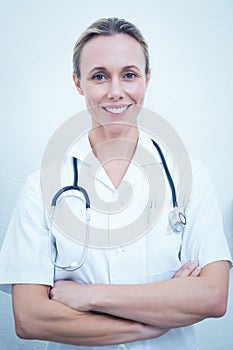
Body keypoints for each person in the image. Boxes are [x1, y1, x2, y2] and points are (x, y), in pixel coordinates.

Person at [0, 17, 232, 350]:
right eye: (99, 76)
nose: (115, 91)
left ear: (147, 79)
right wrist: (153, 323)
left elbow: (212, 297)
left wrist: (88, 296)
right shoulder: (41, 187)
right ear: (78, 83)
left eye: (129, 74)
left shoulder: (189, 176)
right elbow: (29, 317)